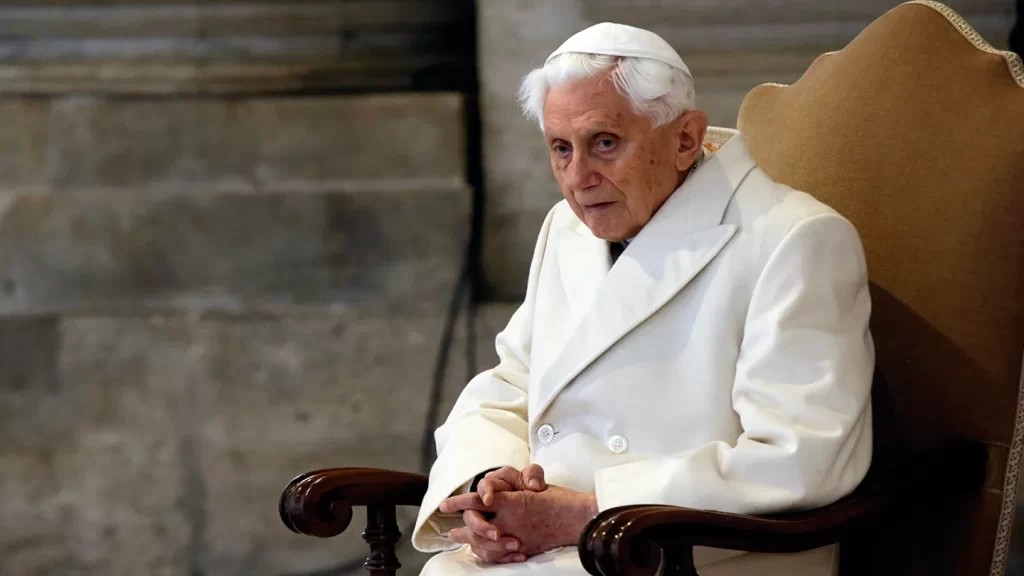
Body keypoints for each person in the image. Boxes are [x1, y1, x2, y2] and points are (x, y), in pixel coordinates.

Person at [413, 22, 874, 576]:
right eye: (561, 149)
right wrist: (489, 489)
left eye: (604, 143)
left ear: (684, 139)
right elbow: (512, 381)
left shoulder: (794, 239)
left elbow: (801, 457)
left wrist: (589, 513)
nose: (578, 178)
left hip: (694, 554)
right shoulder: (567, 229)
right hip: (558, 549)